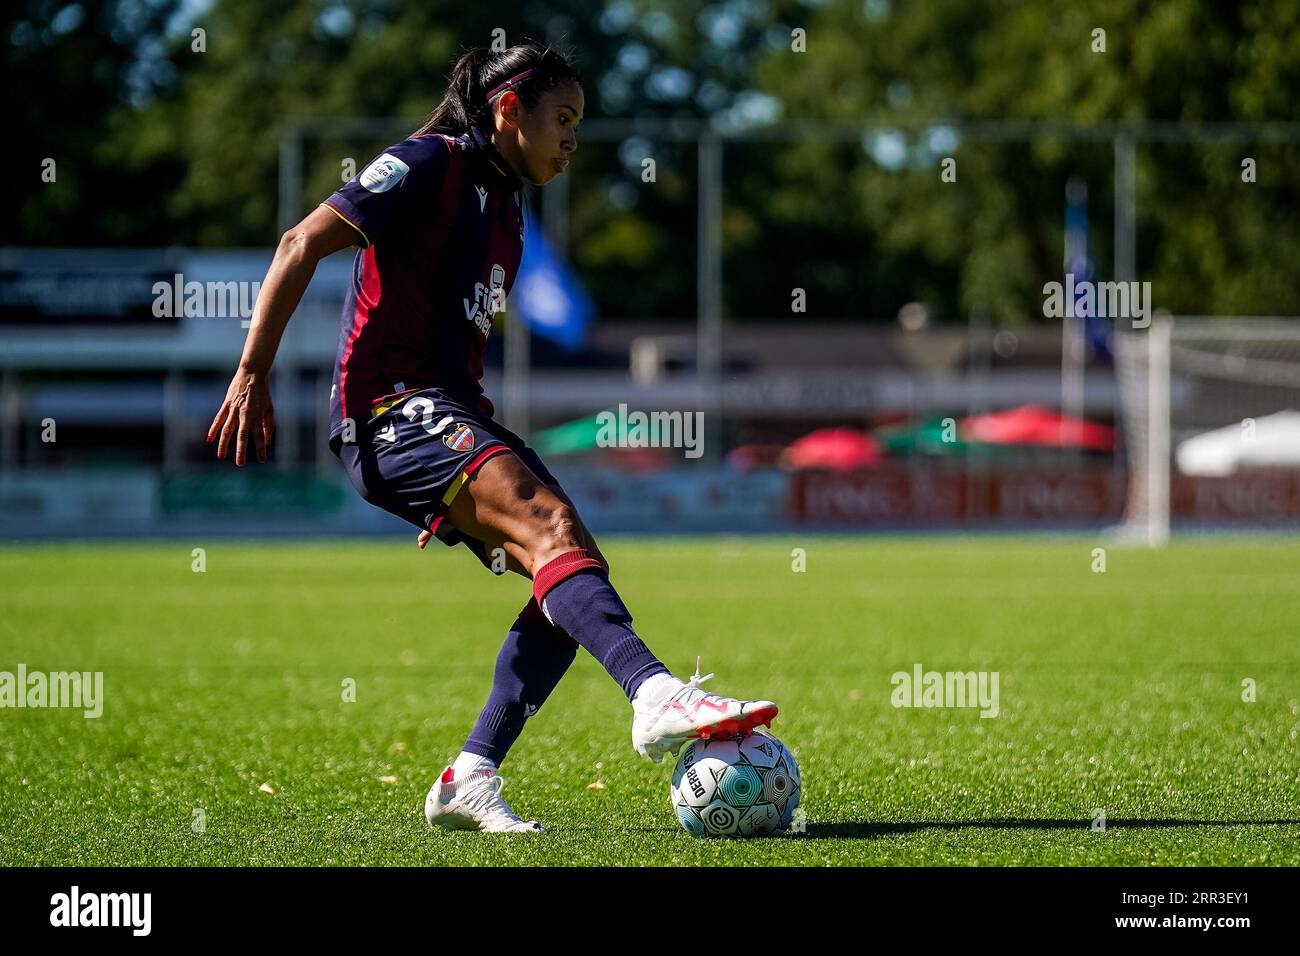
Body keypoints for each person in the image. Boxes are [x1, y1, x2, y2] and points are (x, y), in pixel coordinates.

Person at [207, 41, 778, 833]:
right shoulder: (429, 162)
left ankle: (468, 776)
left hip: (448, 413)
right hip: (387, 410)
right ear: (508, 110)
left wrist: (464, 474)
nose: (574, 138)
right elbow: (298, 243)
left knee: (569, 570)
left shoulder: (507, 206)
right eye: (564, 119)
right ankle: (654, 695)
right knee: (550, 528)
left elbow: (454, 344)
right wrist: (251, 371)